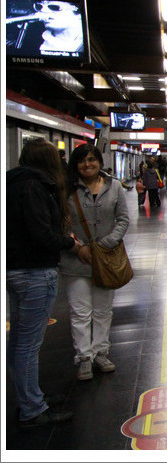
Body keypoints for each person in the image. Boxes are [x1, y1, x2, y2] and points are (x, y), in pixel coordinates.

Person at [6, 138, 79, 427]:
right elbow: (41, 234)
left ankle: (31, 396)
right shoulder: (36, 187)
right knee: (28, 345)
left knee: (20, 343)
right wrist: (68, 242)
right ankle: (32, 409)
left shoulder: (12, 182)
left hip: (15, 269)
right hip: (34, 272)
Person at [61, 144, 130, 381]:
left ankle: (101, 352)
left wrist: (104, 244)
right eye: (82, 161)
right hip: (76, 260)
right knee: (80, 311)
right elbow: (61, 224)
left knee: (102, 309)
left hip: (106, 258)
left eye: (92, 160)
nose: (87, 164)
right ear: (75, 165)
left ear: (100, 162)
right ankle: (83, 357)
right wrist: (77, 246)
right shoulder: (66, 190)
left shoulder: (115, 187)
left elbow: (122, 220)